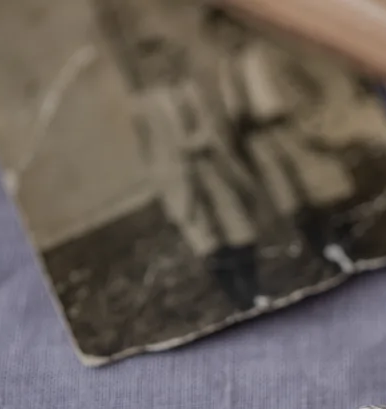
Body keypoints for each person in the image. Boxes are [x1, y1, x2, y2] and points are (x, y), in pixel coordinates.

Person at [202, 9, 358, 273]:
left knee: (321, 187)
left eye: (228, 30)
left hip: (289, 127)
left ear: (240, 27)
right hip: (258, 140)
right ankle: (326, 257)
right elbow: (228, 113)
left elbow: (310, 83)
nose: (226, 38)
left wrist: (312, 119)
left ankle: (351, 245)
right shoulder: (224, 70)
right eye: (217, 36)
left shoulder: (269, 51)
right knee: (291, 201)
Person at [130, 36, 264, 310]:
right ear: (144, 70)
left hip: (210, 164)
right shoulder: (143, 107)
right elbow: (150, 149)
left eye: (163, 60)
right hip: (179, 175)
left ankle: (254, 289)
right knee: (206, 236)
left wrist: (208, 139)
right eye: (151, 65)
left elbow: (212, 124)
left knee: (237, 226)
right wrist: (165, 177)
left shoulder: (190, 90)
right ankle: (237, 297)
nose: (160, 68)